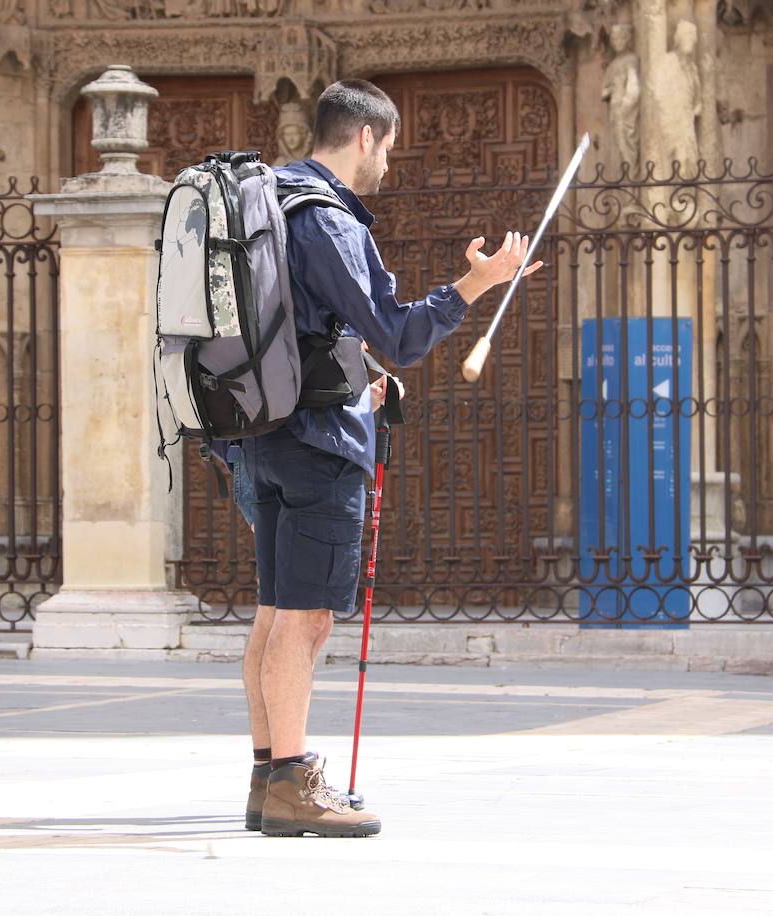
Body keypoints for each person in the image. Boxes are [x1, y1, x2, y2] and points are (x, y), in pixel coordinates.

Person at [240, 78, 541, 838]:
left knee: (276, 613)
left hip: (262, 433)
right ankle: (291, 785)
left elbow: (303, 331)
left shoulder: (263, 200)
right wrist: (476, 283)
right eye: (390, 150)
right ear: (368, 137)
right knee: (306, 622)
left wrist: (354, 380)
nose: (389, 170)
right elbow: (399, 334)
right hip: (315, 446)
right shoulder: (328, 220)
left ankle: (266, 775)